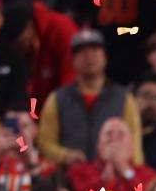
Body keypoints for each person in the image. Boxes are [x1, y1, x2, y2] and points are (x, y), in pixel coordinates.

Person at [36, 29, 143, 167]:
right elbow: (45, 143)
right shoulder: (57, 98)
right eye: (82, 51)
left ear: (105, 56)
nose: (89, 56)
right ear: (73, 60)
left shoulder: (124, 98)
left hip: (112, 179)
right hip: (69, 177)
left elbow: (135, 147)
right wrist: (65, 155)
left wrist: (132, 173)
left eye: (94, 49)